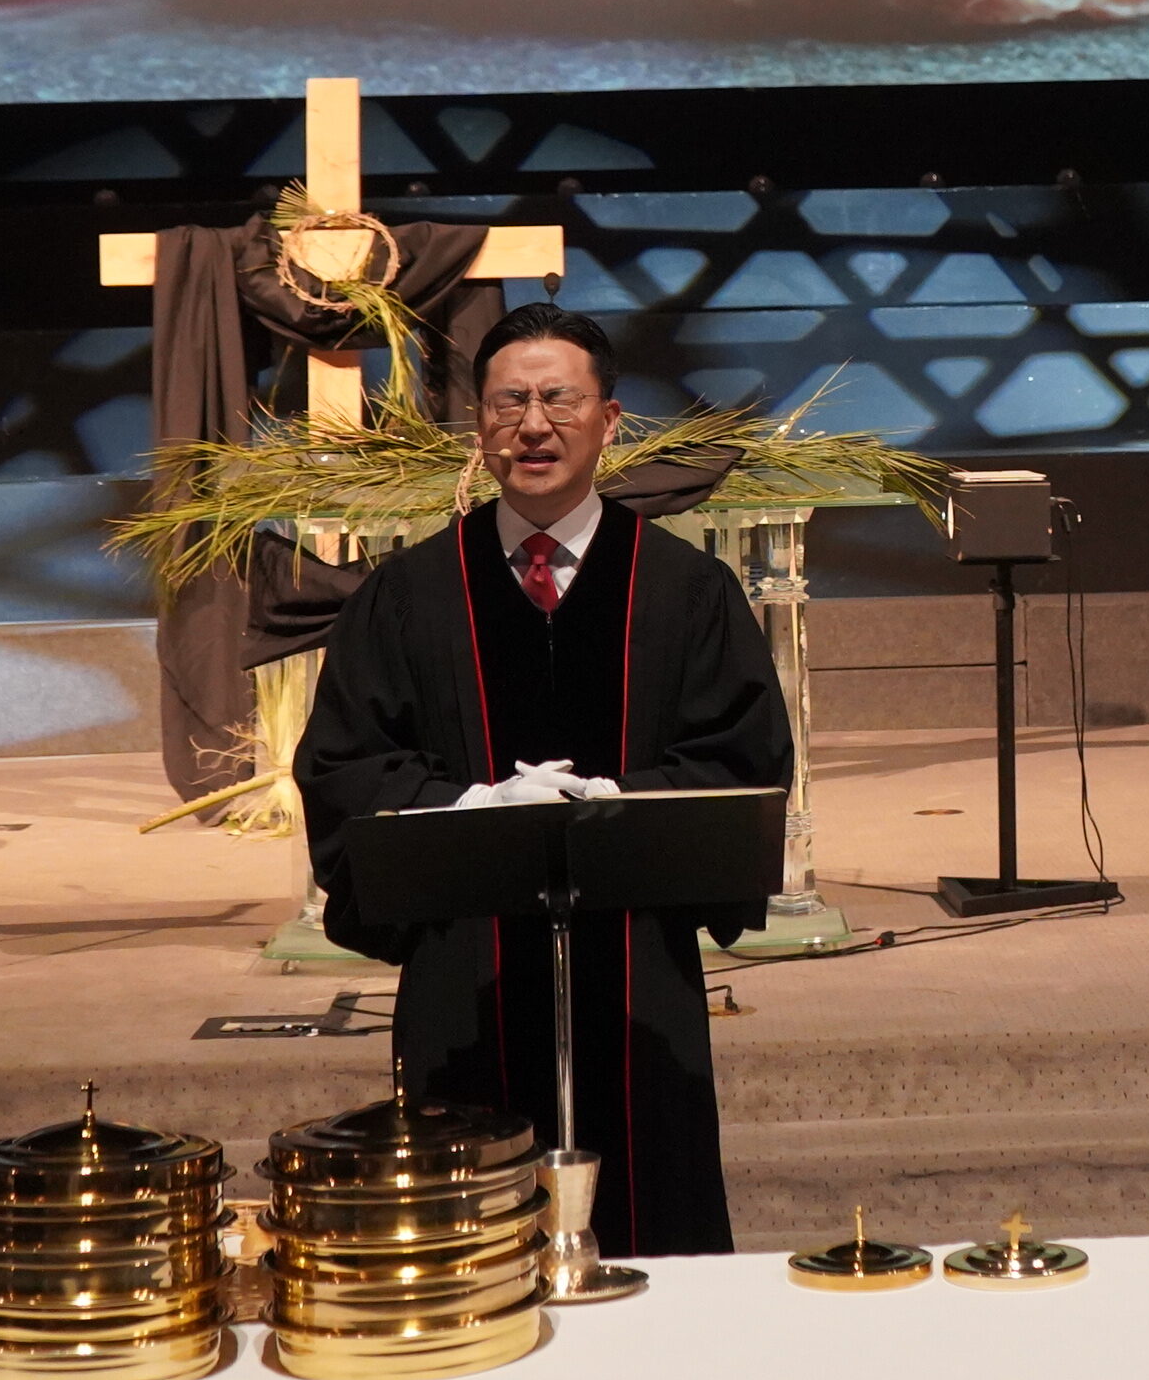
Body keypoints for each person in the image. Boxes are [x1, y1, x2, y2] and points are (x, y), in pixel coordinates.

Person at [293, 303, 790, 1256]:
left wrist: (618, 808)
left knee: (652, 1240)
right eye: (508, 402)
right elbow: (344, 762)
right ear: (478, 425)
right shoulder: (411, 593)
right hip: (465, 980)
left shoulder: (684, 590)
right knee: (467, 1254)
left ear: (609, 421)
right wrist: (474, 809)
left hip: (637, 982)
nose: (533, 425)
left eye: (559, 400)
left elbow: (742, 757)